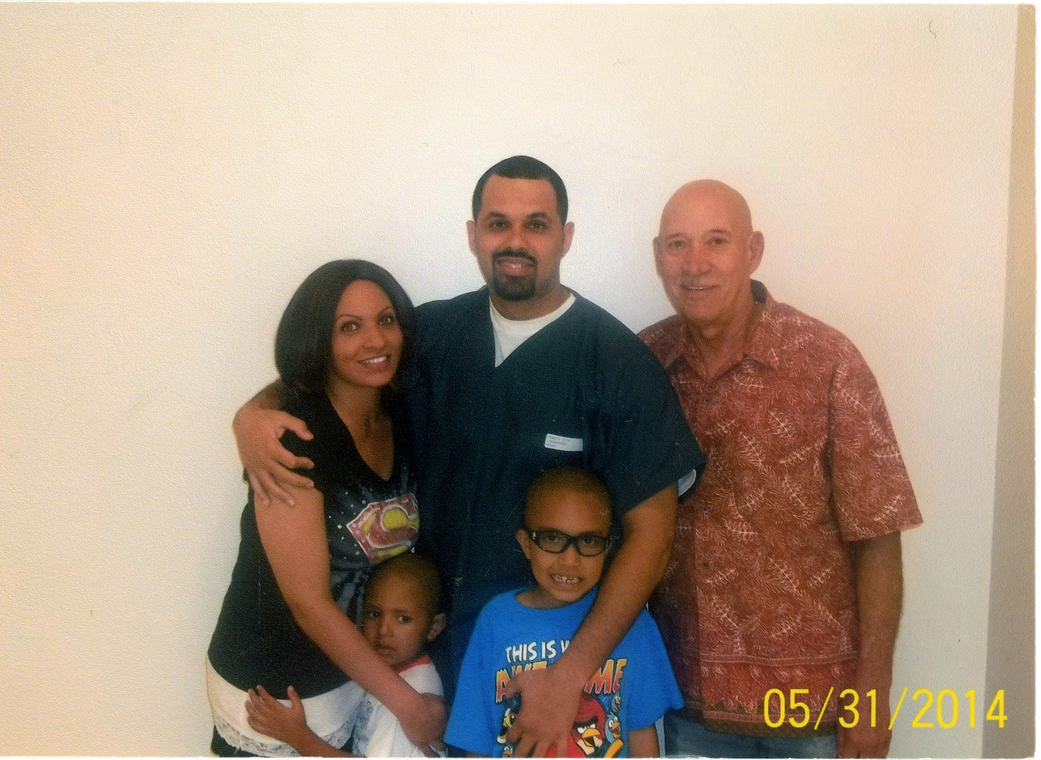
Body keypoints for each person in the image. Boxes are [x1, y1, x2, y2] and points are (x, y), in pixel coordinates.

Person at [232, 156, 705, 756]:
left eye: (536, 224)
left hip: (551, 670)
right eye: (497, 223)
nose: (515, 241)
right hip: (429, 660)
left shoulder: (615, 363)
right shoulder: (430, 335)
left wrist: (570, 677)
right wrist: (252, 416)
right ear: (473, 234)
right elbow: (334, 370)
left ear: (566, 237)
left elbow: (653, 539)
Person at [639, 179, 923, 758]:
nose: (695, 264)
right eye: (678, 244)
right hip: (685, 706)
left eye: (716, 241)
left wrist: (873, 695)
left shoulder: (827, 361)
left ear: (754, 250)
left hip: (815, 714)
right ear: (657, 257)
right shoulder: (639, 366)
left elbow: (878, 536)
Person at [206, 260, 445, 757]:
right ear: (318, 339)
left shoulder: (398, 409)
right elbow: (308, 603)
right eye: (349, 327)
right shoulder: (292, 441)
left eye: (385, 320)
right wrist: (408, 704)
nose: (375, 341)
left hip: (356, 672)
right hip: (278, 692)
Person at [444, 467, 684, 758]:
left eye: (588, 542)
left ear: (608, 548)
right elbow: (477, 741)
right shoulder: (494, 620)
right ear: (526, 544)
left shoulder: (632, 623)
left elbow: (642, 732)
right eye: (552, 539)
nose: (570, 561)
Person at [245, 552, 448, 758]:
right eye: (374, 613)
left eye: (403, 619)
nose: (384, 630)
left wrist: (299, 738)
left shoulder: (416, 693)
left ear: (434, 627)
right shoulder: (396, 672)